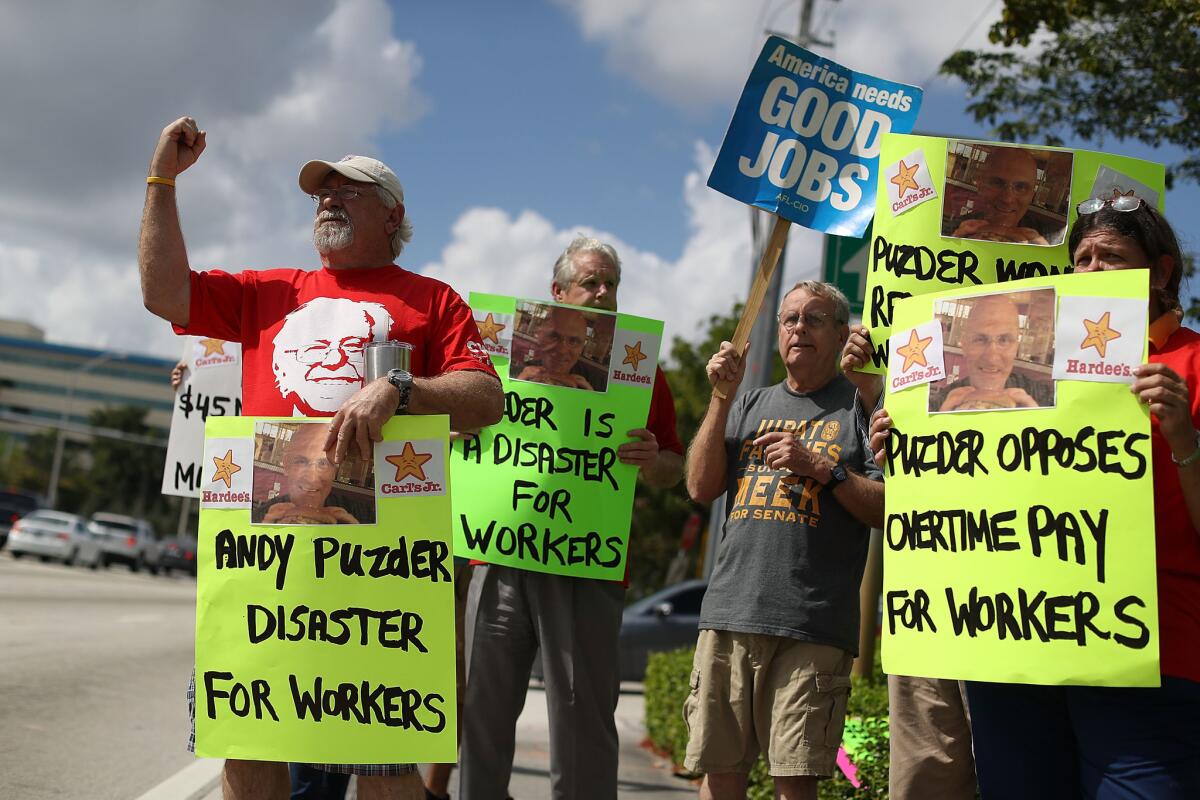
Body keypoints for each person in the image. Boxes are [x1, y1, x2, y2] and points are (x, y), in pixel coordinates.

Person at [139, 116, 503, 800]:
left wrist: (399, 389)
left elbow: (486, 398)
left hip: (380, 569)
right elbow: (164, 293)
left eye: (349, 190)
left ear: (393, 214)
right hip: (264, 563)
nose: (328, 199)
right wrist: (162, 180)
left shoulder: (432, 300)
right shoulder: (266, 291)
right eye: (321, 191)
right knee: (247, 743)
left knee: (384, 758)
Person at [872, 197, 1200, 798]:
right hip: (1013, 647)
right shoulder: (1036, 379)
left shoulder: (1193, 363)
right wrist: (910, 451)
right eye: (1083, 258)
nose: (1094, 271)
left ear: (1160, 272)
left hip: (1148, 658)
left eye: (1114, 258)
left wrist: (1183, 434)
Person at [458, 236, 684, 800]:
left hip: (588, 562)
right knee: (481, 711)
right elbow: (456, 423)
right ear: (556, 293)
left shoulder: (638, 370)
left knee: (583, 720)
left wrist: (654, 459)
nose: (604, 292)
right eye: (592, 282)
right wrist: (458, 429)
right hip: (497, 554)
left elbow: (675, 469)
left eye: (612, 283)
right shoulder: (493, 359)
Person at [683, 281, 883, 800]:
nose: (799, 329)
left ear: (842, 333)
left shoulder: (862, 408)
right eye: (791, 319)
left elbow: (887, 508)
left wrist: (821, 466)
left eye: (815, 320)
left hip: (812, 623)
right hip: (730, 614)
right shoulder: (748, 403)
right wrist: (720, 398)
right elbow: (701, 487)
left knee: (794, 782)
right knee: (719, 776)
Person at [840, 328, 979, 800]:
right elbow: (891, 472)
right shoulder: (923, 378)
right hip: (929, 601)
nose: (990, 352)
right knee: (924, 769)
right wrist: (872, 392)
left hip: (1026, 609)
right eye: (978, 339)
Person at [930, 293, 1052, 411]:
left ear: (1016, 348)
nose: (992, 358)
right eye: (980, 340)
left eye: (1004, 340)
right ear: (965, 345)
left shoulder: (1044, 399)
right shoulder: (938, 405)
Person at [254, 423, 359, 525]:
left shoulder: (362, 515)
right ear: (286, 465)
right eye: (301, 462)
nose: (312, 479)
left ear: (335, 470)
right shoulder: (260, 517)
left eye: (323, 463)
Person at [950, 146, 1051, 245]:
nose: (1007, 199)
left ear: (1031, 196)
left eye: (1021, 187)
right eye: (997, 183)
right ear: (980, 186)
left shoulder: (1050, 239)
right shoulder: (952, 231)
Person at [514, 305, 595, 390]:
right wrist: (516, 389)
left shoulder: (596, 384)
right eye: (554, 337)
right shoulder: (518, 373)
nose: (562, 350)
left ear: (582, 348)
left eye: (573, 341)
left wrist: (593, 401)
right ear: (540, 336)